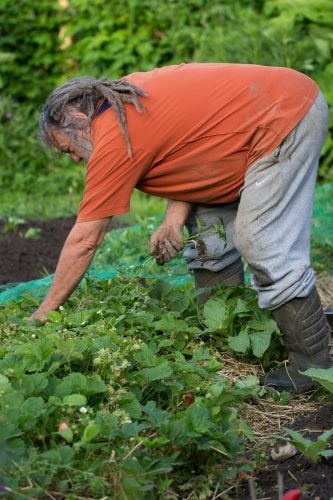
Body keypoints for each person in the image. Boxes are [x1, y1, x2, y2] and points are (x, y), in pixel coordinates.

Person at [30, 62, 332, 391]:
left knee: (262, 241)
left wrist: (44, 313)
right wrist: (173, 220)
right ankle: (229, 337)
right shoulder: (125, 102)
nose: (75, 158)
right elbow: (190, 147)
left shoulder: (115, 134)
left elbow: (85, 240)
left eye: (68, 148)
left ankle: (313, 364)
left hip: (285, 115)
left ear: (77, 119)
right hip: (259, 119)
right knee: (207, 242)